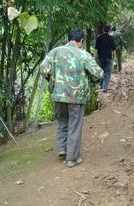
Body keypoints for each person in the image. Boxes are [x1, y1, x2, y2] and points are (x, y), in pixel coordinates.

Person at [40, 29, 102, 168]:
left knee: (62, 121)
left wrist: (53, 81)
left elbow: (43, 69)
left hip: (58, 95)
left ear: (68, 39)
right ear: (81, 41)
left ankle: (62, 149)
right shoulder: (83, 55)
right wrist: (89, 81)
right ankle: (72, 158)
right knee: (74, 125)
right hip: (76, 97)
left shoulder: (55, 52)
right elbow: (98, 73)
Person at [95, 25, 116, 92]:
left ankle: (101, 85)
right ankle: (105, 87)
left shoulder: (99, 38)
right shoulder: (111, 38)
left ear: (103, 30)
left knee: (101, 71)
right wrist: (114, 57)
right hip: (108, 58)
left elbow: (96, 49)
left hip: (100, 57)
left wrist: (94, 57)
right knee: (107, 72)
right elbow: (114, 49)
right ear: (109, 31)